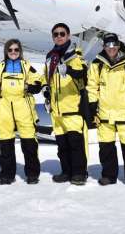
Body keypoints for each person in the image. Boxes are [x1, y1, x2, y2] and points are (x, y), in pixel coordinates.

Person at [87, 33, 125, 188]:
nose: (111, 49)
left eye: (113, 45)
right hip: (104, 114)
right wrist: (93, 108)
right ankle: (108, 175)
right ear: (103, 47)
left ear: (118, 45)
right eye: (108, 45)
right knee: (106, 148)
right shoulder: (97, 64)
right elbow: (92, 87)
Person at [0, 39, 44, 185]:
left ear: (20, 51)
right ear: (6, 51)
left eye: (16, 50)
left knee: (29, 142)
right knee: (6, 143)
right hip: (5, 105)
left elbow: (38, 80)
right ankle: (7, 175)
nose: (13, 52)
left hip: (23, 105)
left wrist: (31, 87)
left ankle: (32, 174)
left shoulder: (26, 66)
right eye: (10, 50)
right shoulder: (1, 66)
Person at [43, 22, 89, 186]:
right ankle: (66, 171)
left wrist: (68, 70)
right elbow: (46, 77)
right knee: (62, 145)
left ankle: (79, 173)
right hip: (56, 110)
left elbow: (83, 75)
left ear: (68, 35)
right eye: (56, 34)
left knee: (76, 144)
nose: (59, 37)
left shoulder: (75, 55)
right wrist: (45, 88)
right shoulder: (50, 56)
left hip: (72, 108)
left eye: (62, 34)